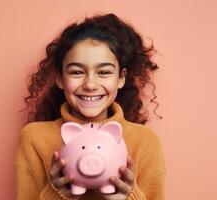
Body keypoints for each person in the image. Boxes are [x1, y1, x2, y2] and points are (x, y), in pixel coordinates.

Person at [15, 13, 166, 200]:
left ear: (120, 78)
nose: (90, 84)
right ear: (60, 79)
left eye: (103, 72)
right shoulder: (35, 138)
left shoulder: (144, 141)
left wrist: (130, 197)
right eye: (77, 72)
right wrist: (54, 195)